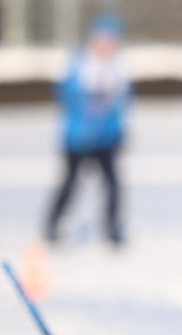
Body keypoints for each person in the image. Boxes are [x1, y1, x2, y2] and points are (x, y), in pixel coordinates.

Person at [45, 16, 129, 247]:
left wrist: (118, 131)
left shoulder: (118, 71)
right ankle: (52, 225)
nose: (105, 46)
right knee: (70, 183)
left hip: (107, 139)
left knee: (112, 184)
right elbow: (66, 96)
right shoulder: (78, 66)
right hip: (77, 139)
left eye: (110, 41)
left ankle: (112, 228)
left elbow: (122, 105)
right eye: (101, 40)